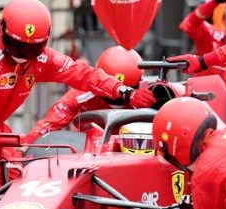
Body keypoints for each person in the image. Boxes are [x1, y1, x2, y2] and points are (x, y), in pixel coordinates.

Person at [0, 0, 156, 209]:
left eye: (32, 48)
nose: (23, 54)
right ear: (2, 32)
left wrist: (124, 92)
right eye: (17, 45)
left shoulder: (42, 60)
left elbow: (81, 73)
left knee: (17, 185)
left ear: (43, 44)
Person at [22, 45, 150, 144]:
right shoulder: (80, 96)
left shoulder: (149, 98)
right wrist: (29, 142)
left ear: (138, 84)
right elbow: (51, 121)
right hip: (91, 154)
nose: (115, 99)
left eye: (125, 92)